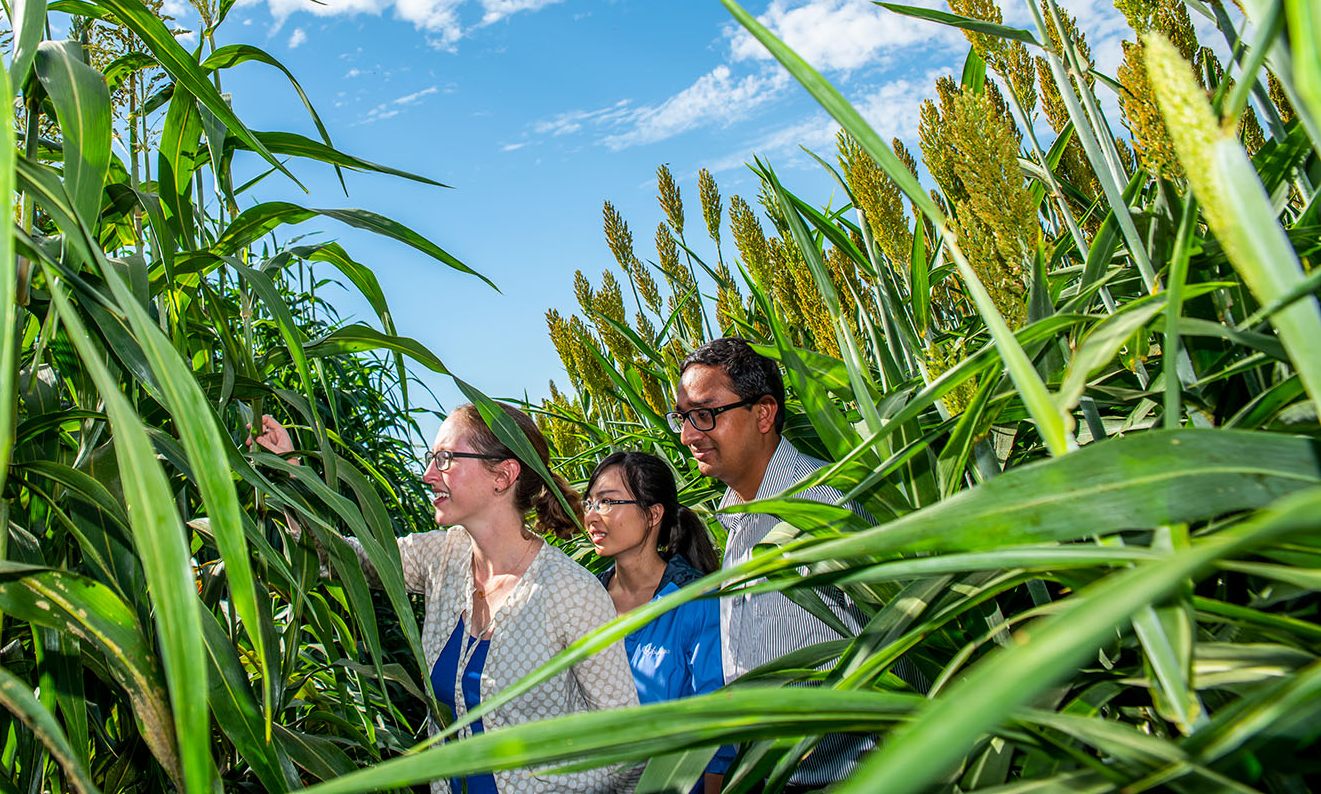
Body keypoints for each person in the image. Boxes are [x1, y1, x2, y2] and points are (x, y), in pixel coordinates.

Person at [252, 404, 639, 794]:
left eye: (445, 459)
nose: (428, 475)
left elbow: (629, 743)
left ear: (502, 476)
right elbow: (340, 558)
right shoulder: (441, 559)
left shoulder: (571, 593)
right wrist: (292, 471)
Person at [673, 337, 872, 790]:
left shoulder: (826, 506)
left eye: (704, 415)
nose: (687, 436)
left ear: (762, 414)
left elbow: (897, 646)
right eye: (683, 418)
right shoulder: (739, 521)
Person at [584, 450, 735, 794]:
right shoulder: (585, 599)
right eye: (588, 503)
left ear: (652, 514)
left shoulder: (696, 601)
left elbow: (716, 734)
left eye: (606, 502)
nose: (592, 516)